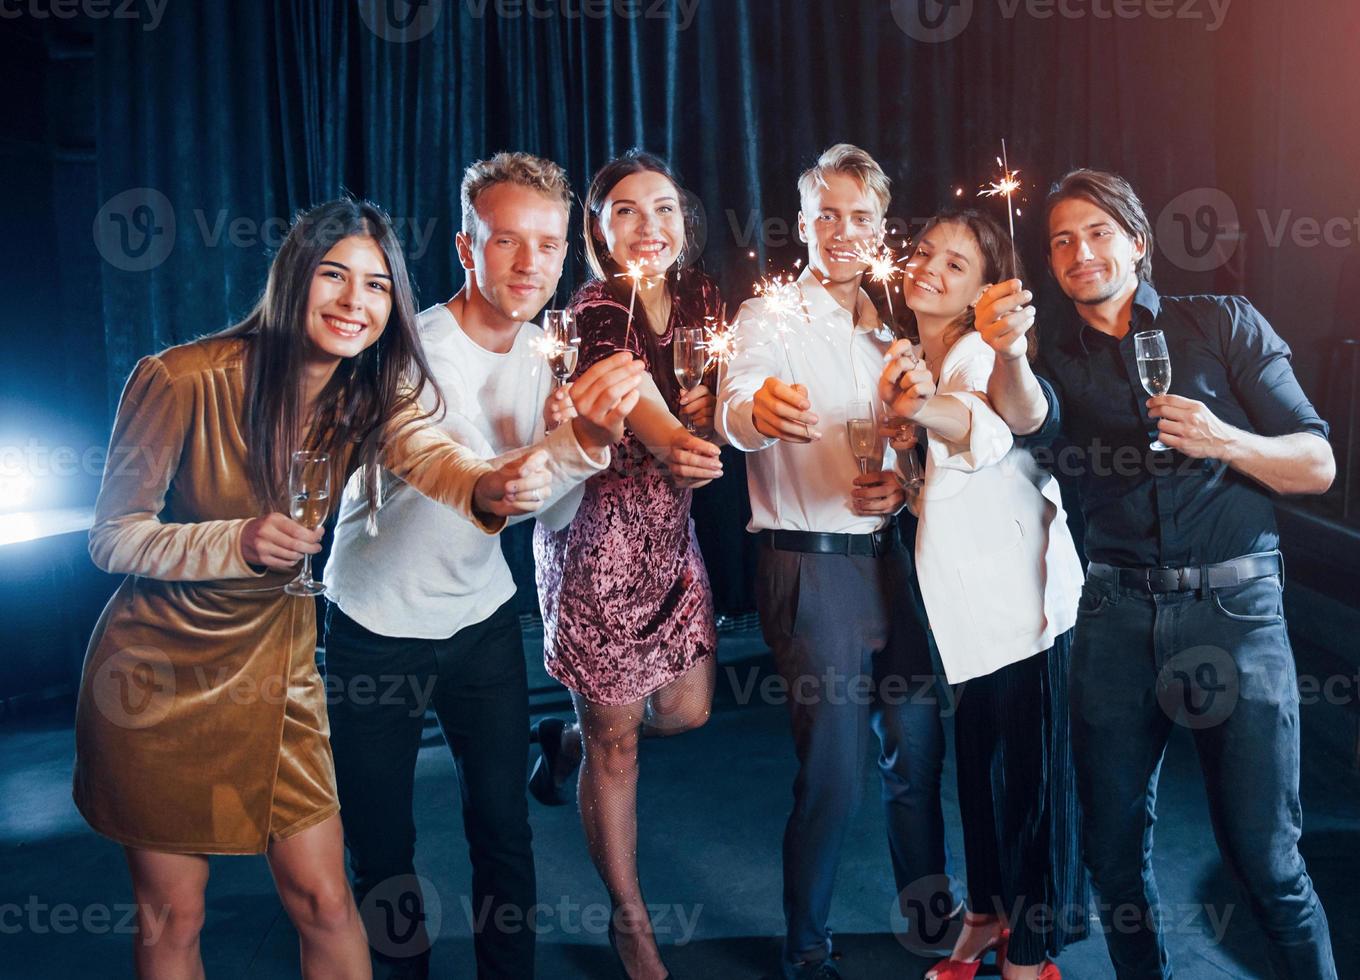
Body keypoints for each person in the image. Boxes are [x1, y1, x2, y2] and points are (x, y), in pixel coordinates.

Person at [73, 198, 557, 980]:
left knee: (327, 903)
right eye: (334, 276)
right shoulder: (181, 377)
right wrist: (235, 539)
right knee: (177, 915)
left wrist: (492, 483)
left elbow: (431, 454)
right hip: (160, 679)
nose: (353, 302)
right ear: (294, 276)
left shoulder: (363, 395)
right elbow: (111, 536)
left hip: (282, 675)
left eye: (375, 287)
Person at [977, 169, 1339, 979]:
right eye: (1061, 241)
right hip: (1114, 617)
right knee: (1112, 858)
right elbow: (1025, 418)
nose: (1080, 252)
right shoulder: (1047, 359)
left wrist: (1226, 441)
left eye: (1098, 231)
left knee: (1267, 863)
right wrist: (1004, 351)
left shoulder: (1219, 321)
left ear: (1137, 242)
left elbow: (1314, 463)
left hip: (1235, 612)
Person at [320, 153, 646, 979]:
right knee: (383, 843)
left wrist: (581, 447)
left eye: (546, 243)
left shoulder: (549, 356)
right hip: (375, 625)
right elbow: (429, 456)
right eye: (505, 241)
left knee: (502, 827)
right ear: (467, 251)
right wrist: (510, 473)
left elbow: (550, 509)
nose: (530, 263)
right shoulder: (408, 352)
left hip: (480, 620)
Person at [717, 144, 952, 980]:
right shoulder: (767, 316)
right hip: (809, 569)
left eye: (860, 217)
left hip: (895, 563)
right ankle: (806, 952)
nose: (843, 231)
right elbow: (736, 409)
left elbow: (918, 448)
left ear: (881, 227)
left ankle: (933, 928)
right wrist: (757, 412)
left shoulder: (897, 327)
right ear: (805, 222)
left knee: (917, 757)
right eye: (827, 214)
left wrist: (903, 483)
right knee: (834, 773)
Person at [876, 209, 1088, 980]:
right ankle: (985, 917)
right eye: (925, 250)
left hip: (1024, 612)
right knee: (980, 776)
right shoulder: (913, 352)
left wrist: (917, 412)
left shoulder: (974, 355)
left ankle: (1029, 957)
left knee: (1028, 789)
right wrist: (901, 488)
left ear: (978, 297)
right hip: (967, 621)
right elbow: (950, 486)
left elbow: (986, 429)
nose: (930, 265)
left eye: (956, 264)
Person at [532, 150, 725, 980]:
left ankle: (570, 736)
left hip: (671, 541)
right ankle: (630, 921)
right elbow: (621, 385)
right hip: (597, 547)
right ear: (598, 230)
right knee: (624, 750)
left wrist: (708, 423)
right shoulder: (595, 303)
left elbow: (716, 390)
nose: (650, 225)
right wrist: (681, 441)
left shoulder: (705, 296)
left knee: (683, 712)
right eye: (627, 211)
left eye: (665, 208)